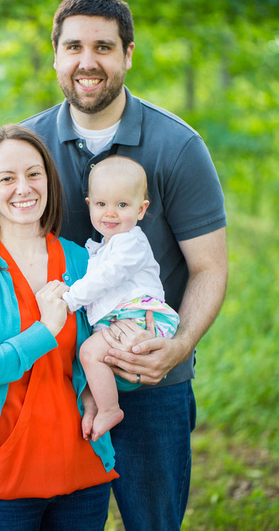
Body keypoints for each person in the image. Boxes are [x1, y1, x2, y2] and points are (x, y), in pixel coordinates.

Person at [21, 0, 228, 531]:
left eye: (104, 47)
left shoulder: (176, 146)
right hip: (56, 376)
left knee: (153, 522)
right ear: (56, 54)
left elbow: (209, 266)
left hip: (152, 374)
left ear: (128, 54)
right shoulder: (28, 147)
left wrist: (178, 345)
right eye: (73, 47)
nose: (87, 62)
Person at [0, 124, 118, 531]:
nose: (24, 187)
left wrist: (99, 389)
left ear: (49, 181)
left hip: (82, 473)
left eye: (34, 174)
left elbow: (107, 350)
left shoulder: (82, 262)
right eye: (7, 178)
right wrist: (45, 330)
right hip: (1, 480)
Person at [62, 156, 180, 442]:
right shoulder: (104, 247)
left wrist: (70, 298)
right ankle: (97, 403)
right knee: (94, 357)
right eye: (102, 204)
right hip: (125, 319)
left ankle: (109, 409)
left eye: (122, 205)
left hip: (140, 318)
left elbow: (107, 278)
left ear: (141, 210)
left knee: (89, 353)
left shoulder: (130, 244)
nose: (110, 213)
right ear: (90, 204)